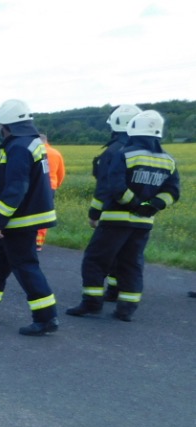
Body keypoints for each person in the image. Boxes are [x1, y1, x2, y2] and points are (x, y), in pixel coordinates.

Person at [66, 110, 181, 322]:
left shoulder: (124, 154)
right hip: (144, 223)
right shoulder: (168, 160)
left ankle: (92, 304)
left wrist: (135, 204)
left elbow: (115, 188)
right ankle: (126, 309)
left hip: (115, 220)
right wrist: (151, 206)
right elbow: (173, 192)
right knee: (132, 264)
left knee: (94, 261)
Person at [0, 99, 59, 336]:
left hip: (18, 220)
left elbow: (16, 188)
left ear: (7, 126)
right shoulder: (31, 143)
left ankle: (46, 318)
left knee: (26, 267)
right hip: (24, 217)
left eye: (0, 126)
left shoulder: (17, 147)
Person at [89, 105, 143, 302]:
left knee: (95, 259)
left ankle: (91, 302)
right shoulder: (144, 151)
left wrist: (94, 213)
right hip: (142, 218)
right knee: (128, 259)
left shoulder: (113, 151)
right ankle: (118, 293)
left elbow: (105, 186)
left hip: (114, 215)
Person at [35, 133, 65, 250]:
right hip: (50, 187)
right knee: (44, 215)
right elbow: (61, 173)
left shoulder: (35, 152)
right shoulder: (56, 153)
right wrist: (55, 185)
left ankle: (29, 239)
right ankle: (39, 243)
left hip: (35, 187)